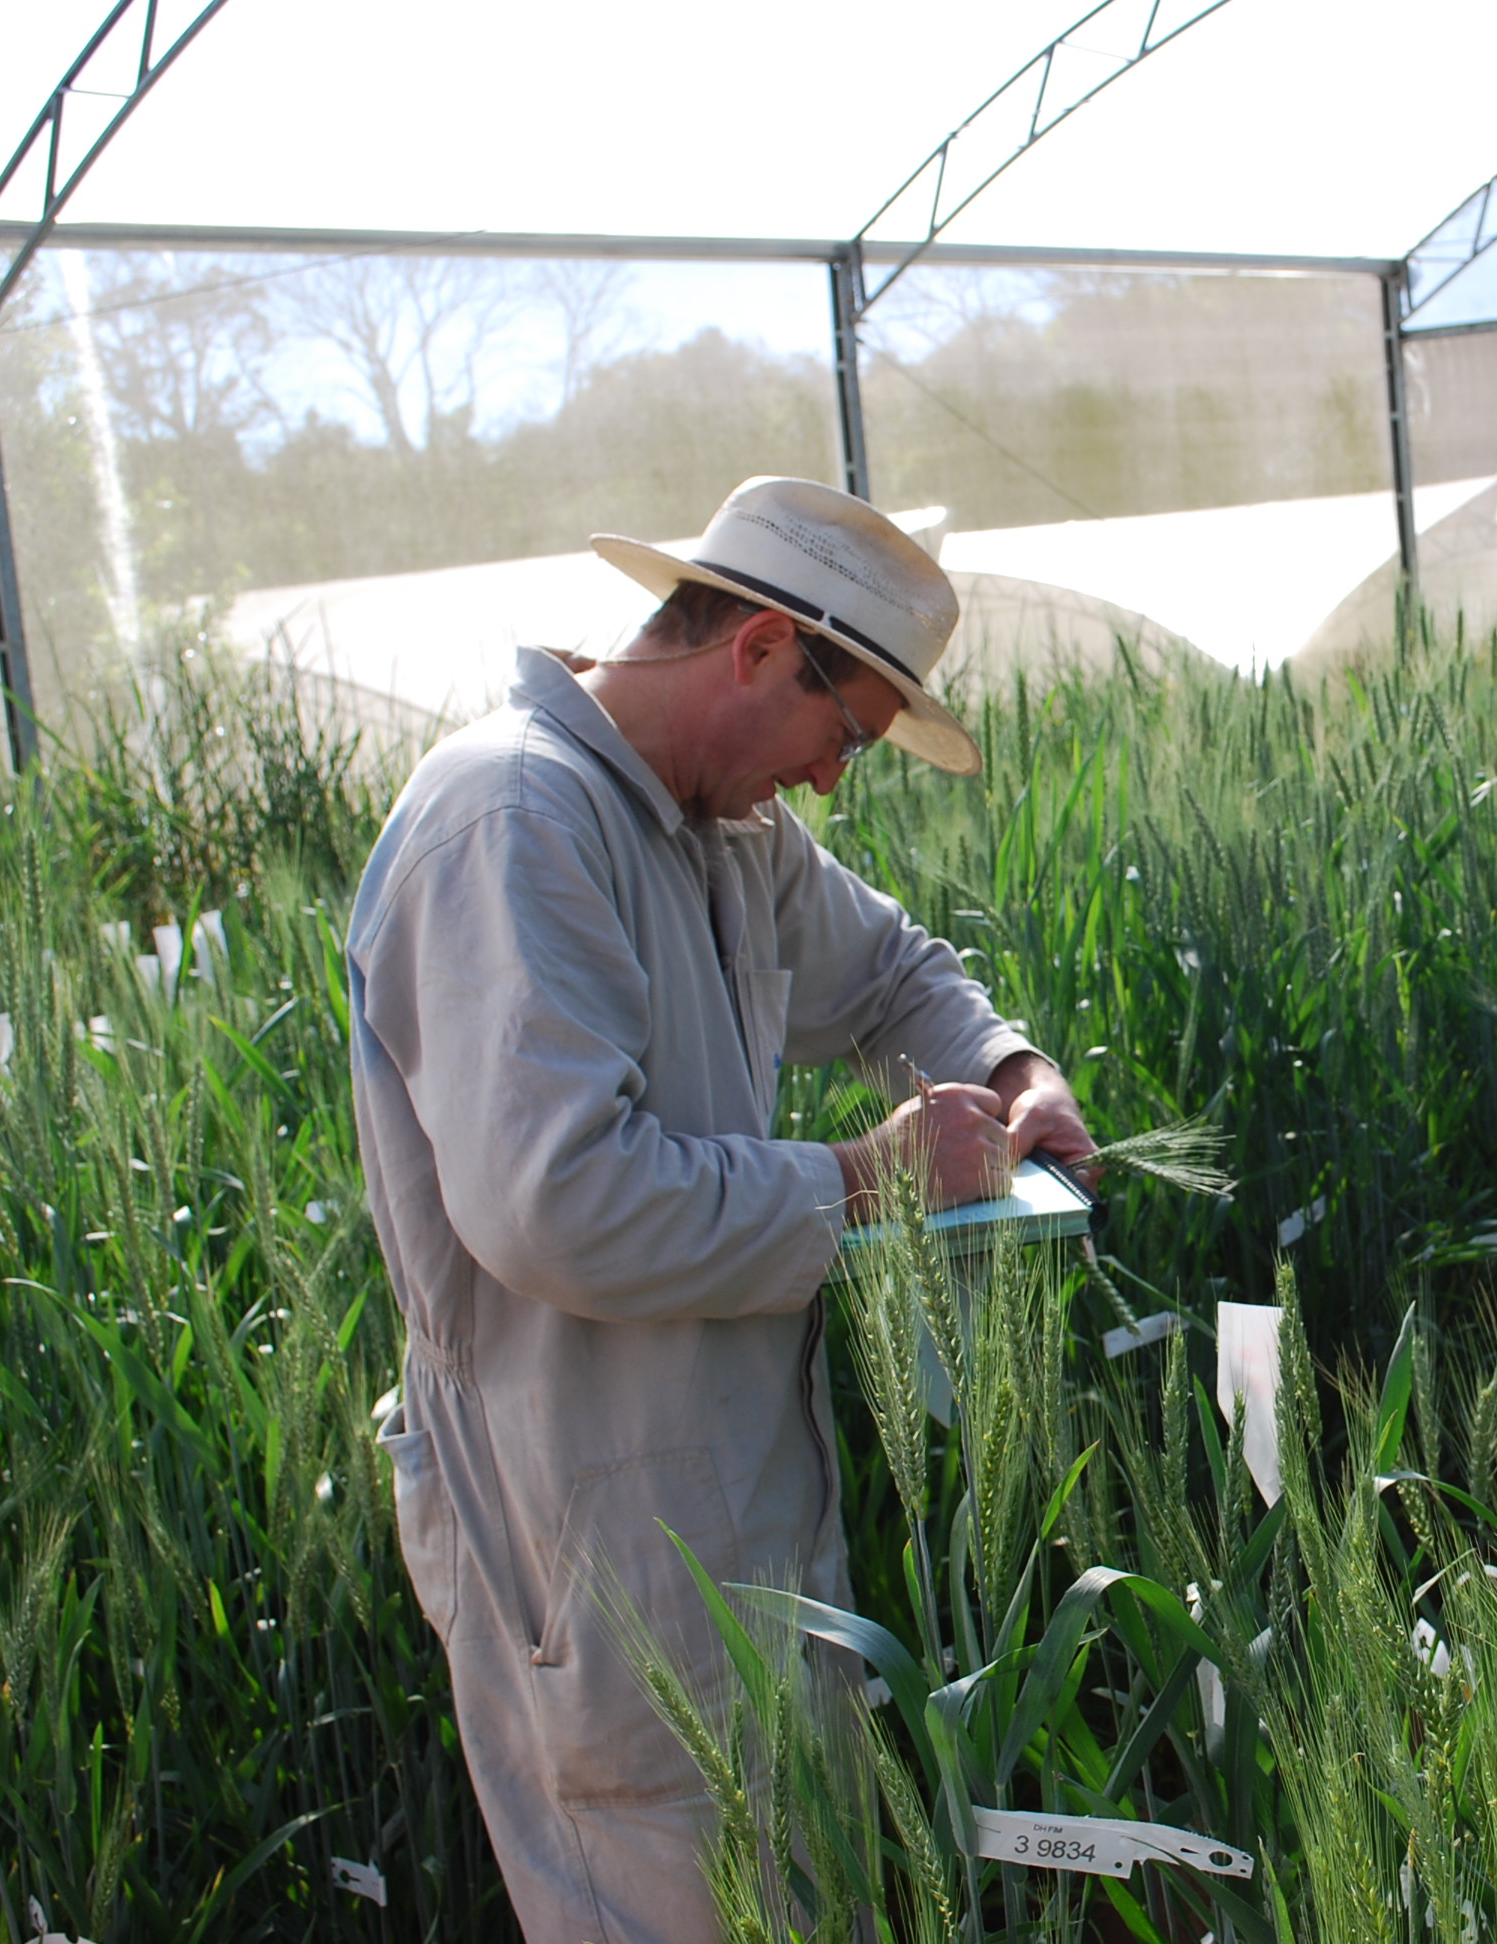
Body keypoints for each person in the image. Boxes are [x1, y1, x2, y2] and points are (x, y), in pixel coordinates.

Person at [347, 476, 1095, 1942]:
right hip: (586, 1522)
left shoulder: (722, 835)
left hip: (735, 1497)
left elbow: (889, 975)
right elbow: (559, 1205)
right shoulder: (512, 821)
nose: (830, 784)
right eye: (845, 736)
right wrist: (864, 1180)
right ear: (758, 650)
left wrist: (1013, 1069)